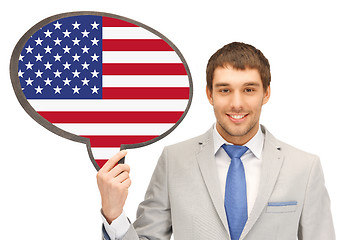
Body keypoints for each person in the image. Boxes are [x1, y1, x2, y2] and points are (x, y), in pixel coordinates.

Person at [96, 42, 335, 240]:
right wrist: (113, 214)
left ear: (267, 93)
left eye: (249, 89)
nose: (237, 103)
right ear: (210, 94)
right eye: (224, 90)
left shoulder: (304, 167)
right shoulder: (174, 160)